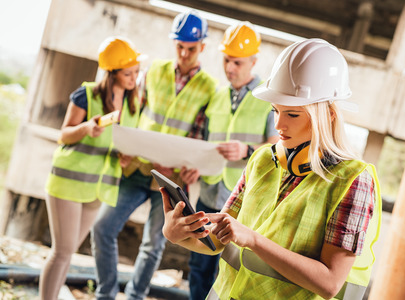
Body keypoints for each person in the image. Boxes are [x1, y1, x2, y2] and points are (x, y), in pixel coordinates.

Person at [161, 38, 382, 300]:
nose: (279, 124)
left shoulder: (354, 181)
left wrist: (253, 239)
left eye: (293, 114)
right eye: (275, 110)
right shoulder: (262, 160)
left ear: (328, 114)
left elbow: (330, 282)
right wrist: (175, 233)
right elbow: (219, 240)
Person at [91, 10, 217, 300]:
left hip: (171, 181)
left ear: (202, 48)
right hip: (138, 168)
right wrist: (125, 147)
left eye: (191, 49)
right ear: (174, 44)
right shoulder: (154, 70)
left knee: (153, 244)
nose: (184, 54)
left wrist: (193, 166)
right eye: (179, 46)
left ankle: (134, 297)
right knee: (102, 228)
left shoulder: (209, 87)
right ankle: (105, 294)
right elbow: (135, 112)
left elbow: (202, 135)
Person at [39, 36, 142, 300]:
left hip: (99, 189)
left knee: (68, 252)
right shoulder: (86, 94)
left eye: (136, 72)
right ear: (112, 73)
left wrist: (126, 160)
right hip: (69, 181)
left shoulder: (133, 105)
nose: (134, 78)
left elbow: (122, 145)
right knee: (62, 252)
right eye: (128, 73)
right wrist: (86, 127)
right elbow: (64, 134)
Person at [185, 21, 278, 300]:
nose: (230, 68)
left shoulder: (268, 98)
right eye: (227, 60)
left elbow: (278, 146)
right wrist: (195, 166)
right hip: (209, 192)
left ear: (253, 61)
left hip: (242, 199)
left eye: (237, 62)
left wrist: (247, 150)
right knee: (198, 265)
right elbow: (205, 141)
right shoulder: (216, 95)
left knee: (224, 269)